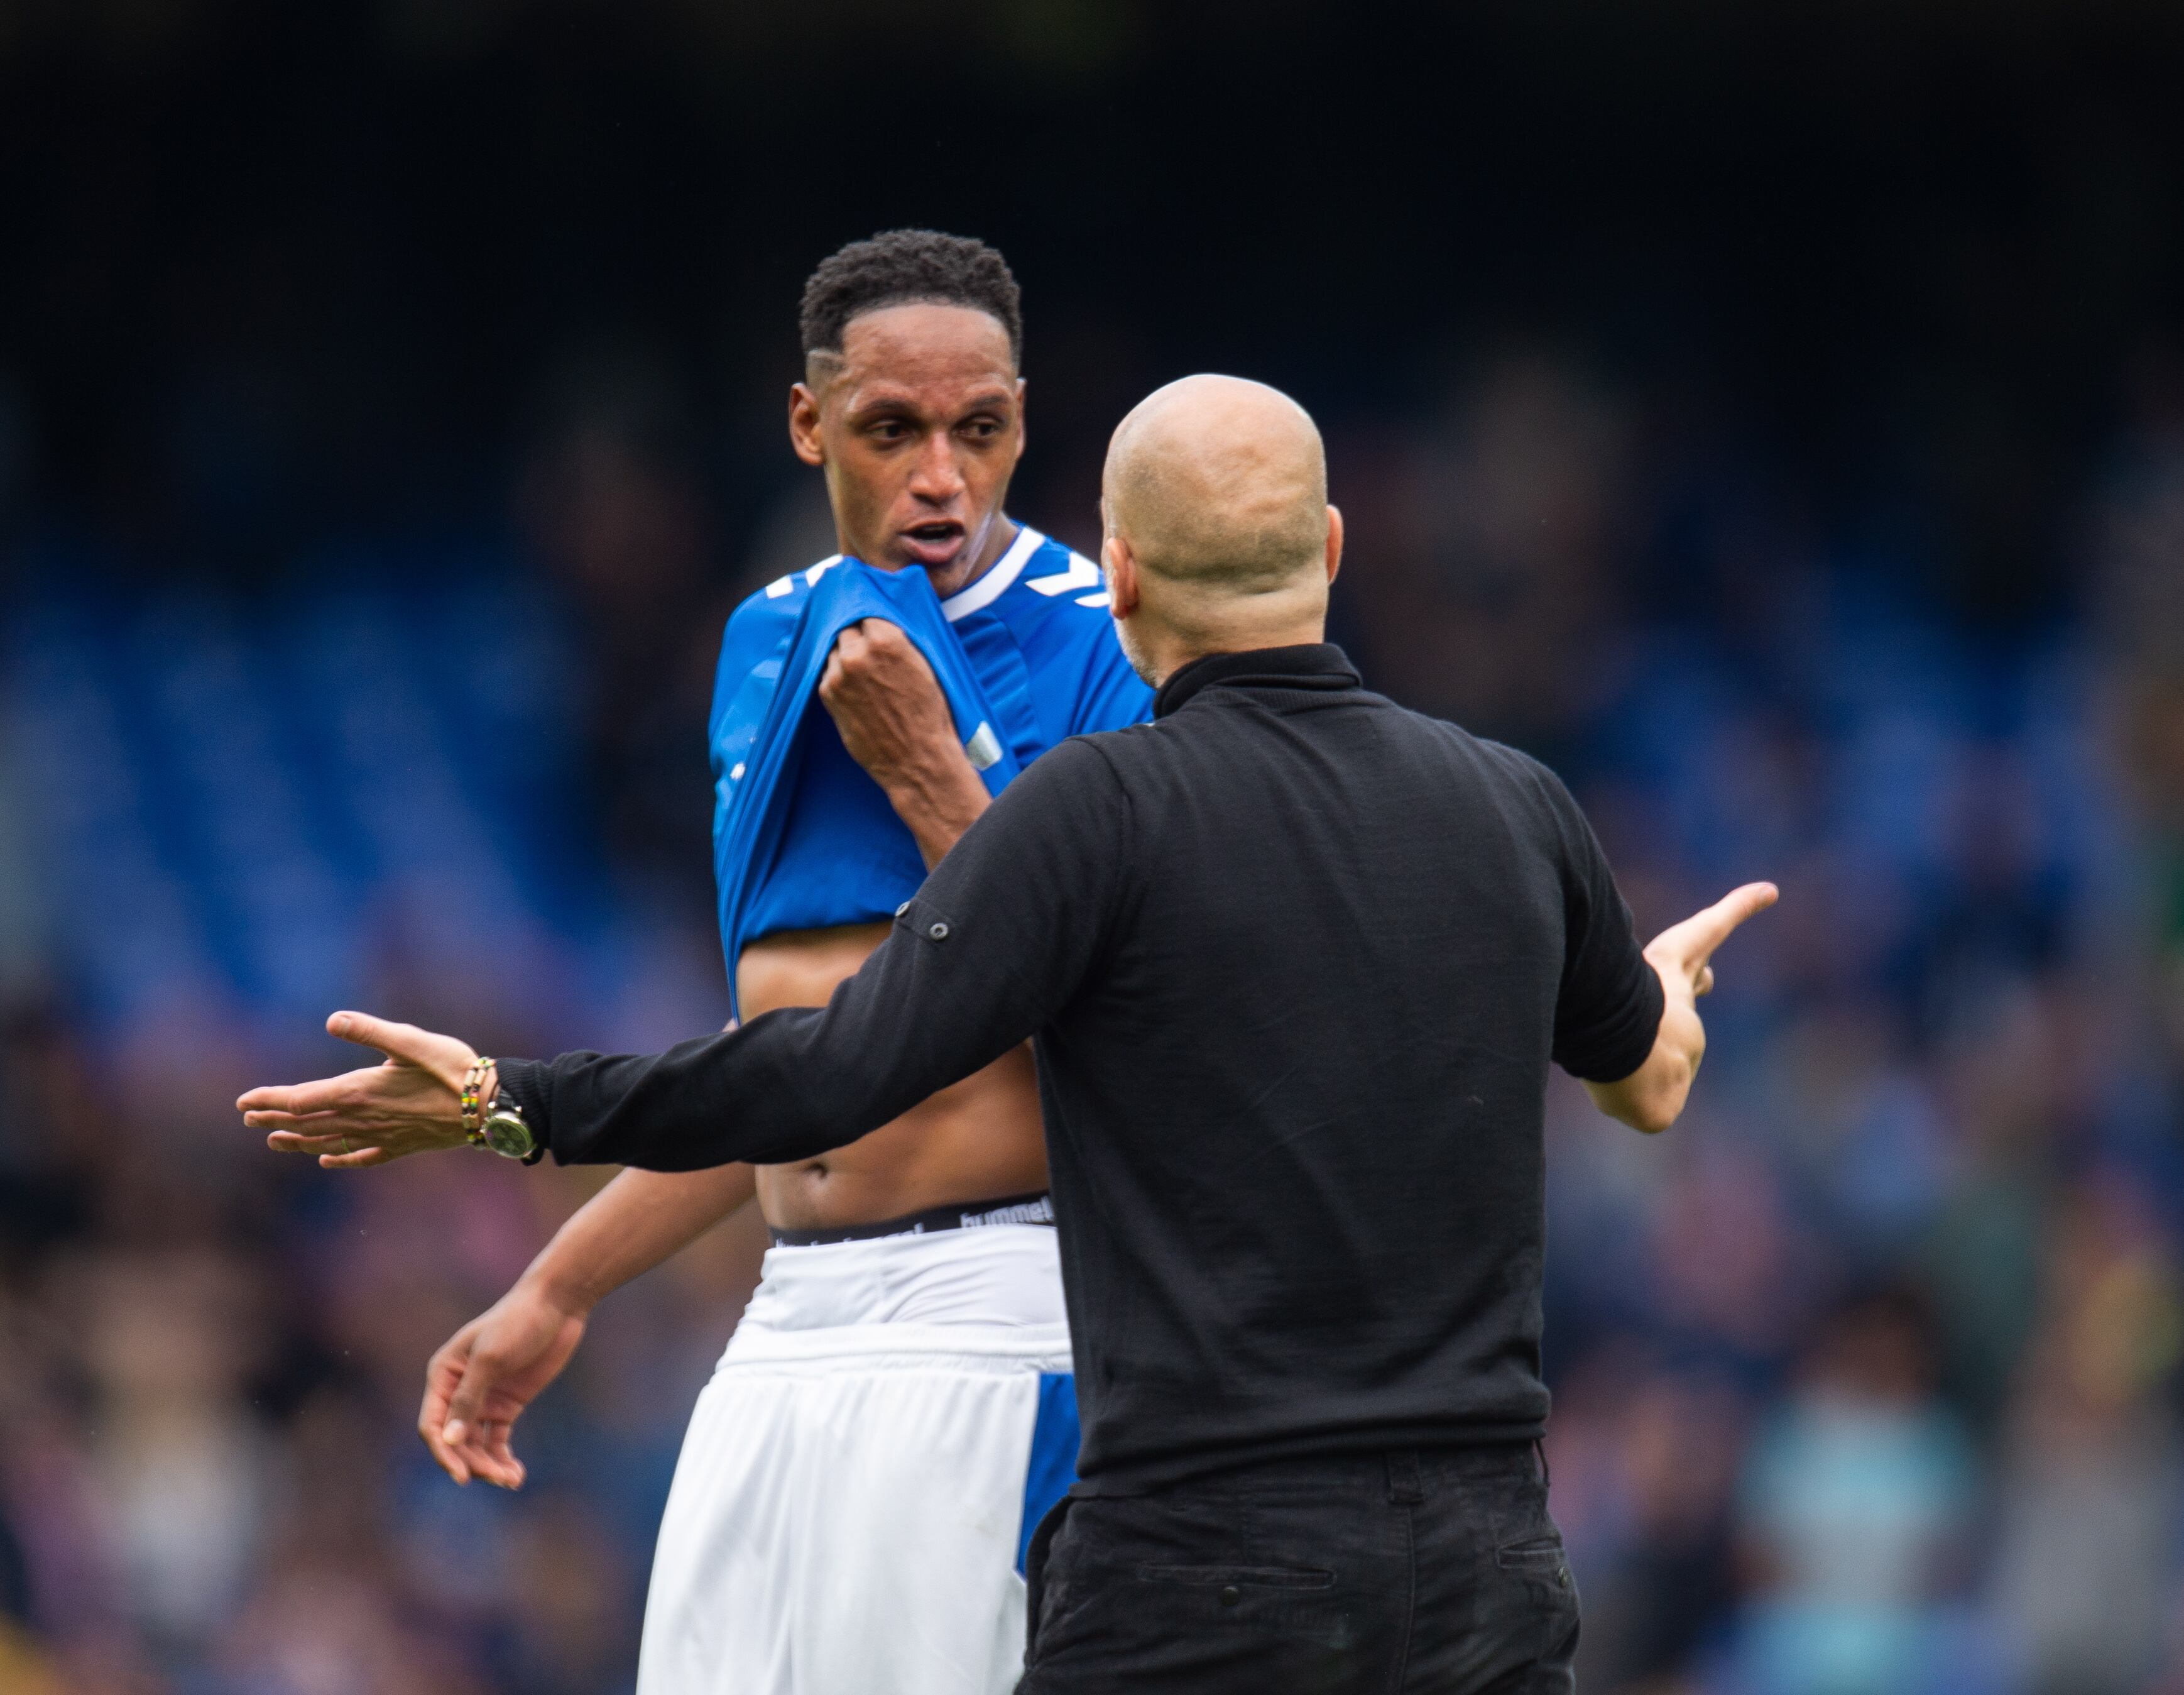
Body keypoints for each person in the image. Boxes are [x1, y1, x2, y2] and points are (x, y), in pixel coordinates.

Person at [244, 373, 1775, 1692]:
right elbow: (1644, 1080)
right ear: (1326, 549)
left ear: (1115, 577)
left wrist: (511, 1101)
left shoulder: (1098, 817)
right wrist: (1670, 982)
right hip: (1483, 1570)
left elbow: (830, 1071)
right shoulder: (1517, 805)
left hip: (1198, 1560)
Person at [399, 231, 1147, 1695]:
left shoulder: (1107, 650)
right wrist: (560, 1284)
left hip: (996, 1318)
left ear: (1020, 422)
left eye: (977, 429)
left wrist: (941, 776)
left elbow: (1134, 1026)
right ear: (809, 424)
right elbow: (797, 1055)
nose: (940, 473)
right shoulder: (766, 639)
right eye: (892, 430)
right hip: (784, 1321)